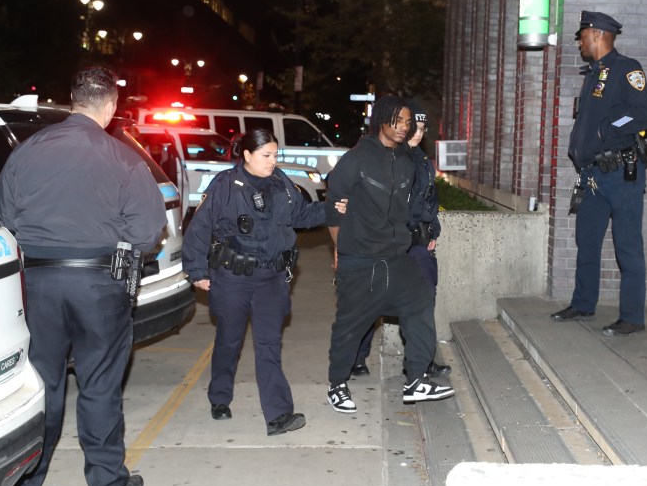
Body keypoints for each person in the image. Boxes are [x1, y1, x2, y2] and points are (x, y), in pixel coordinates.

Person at [0, 66, 165, 486]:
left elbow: (3, 220)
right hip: (99, 285)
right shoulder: (122, 157)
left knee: (42, 385)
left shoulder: (27, 151)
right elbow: (148, 234)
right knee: (100, 383)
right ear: (110, 107)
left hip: (38, 285)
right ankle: (106, 482)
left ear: (72, 99)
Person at [181, 128, 327, 436]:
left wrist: (332, 209)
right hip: (233, 278)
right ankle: (220, 398)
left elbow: (301, 215)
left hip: (272, 278)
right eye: (266, 155)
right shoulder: (225, 185)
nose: (273, 161)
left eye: (275, 155)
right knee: (229, 341)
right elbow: (199, 228)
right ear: (247, 155)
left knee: (269, 346)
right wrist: (197, 271)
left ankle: (278, 416)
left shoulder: (281, 183)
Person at [325, 96, 454, 413]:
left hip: (396, 255)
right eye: (397, 120)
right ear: (381, 120)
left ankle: (416, 379)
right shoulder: (356, 159)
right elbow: (333, 209)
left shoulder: (408, 161)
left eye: (408, 122)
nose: (404, 127)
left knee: (421, 302)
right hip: (360, 256)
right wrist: (340, 250)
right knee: (351, 323)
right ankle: (337, 384)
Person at [551, 11, 647, 336]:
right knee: (587, 240)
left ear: (597, 34)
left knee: (627, 245)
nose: (579, 42)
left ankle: (632, 318)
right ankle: (583, 304)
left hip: (621, 173)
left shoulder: (627, 69)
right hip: (593, 174)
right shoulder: (594, 74)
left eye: (582, 35)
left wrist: (605, 131)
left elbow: (643, 115)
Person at [351, 103, 451, 379]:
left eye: (422, 129)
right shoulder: (385, 156)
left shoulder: (420, 159)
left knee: (422, 303)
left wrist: (432, 231)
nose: (417, 134)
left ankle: (421, 361)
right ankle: (355, 357)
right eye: (413, 128)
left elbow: (429, 200)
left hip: (417, 244)